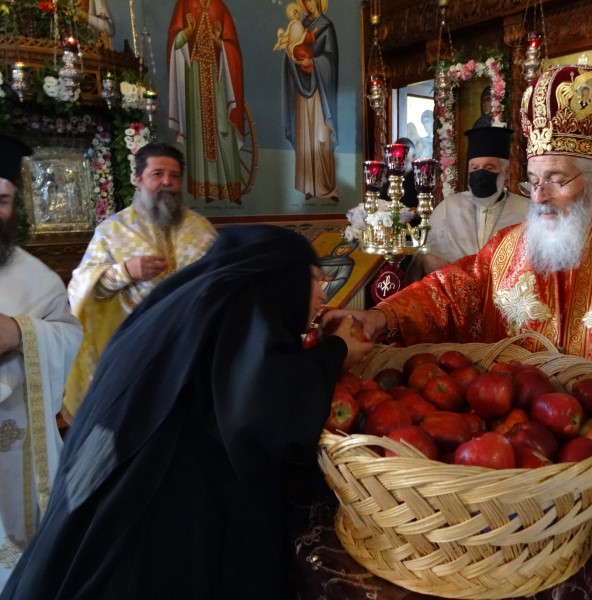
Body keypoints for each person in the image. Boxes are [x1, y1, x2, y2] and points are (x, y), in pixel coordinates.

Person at [323, 64, 592, 557]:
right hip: (511, 468)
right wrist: (384, 317)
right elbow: (453, 289)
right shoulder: (514, 245)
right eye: (533, 179)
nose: (539, 198)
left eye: (556, 180)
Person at [0, 224, 374, 600]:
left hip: (116, 479)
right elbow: (263, 414)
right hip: (163, 510)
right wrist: (337, 350)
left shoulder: (198, 296)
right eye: (313, 278)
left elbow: (243, 377)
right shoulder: (240, 307)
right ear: (280, 274)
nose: (323, 291)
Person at [63, 142, 217, 422]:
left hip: (193, 342)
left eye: (174, 176)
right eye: (157, 174)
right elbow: (82, 287)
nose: (167, 182)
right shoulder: (112, 231)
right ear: (138, 179)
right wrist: (126, 271)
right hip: (136, 347)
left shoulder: (201, 228)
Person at [0, 135, 83, 592]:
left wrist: (20, 333)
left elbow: (70, 333)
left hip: (18, 448)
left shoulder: (35, 276)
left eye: (3, 201)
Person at [419, 126, 528, 274]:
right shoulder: (447, 208)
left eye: (489, 168)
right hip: (456, 290)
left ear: (506, 173)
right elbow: (427, 256)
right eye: (475, 168)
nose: (481, 174)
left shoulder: (526, 210)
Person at [167, 0, 245, 203]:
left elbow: (233, 47)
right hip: (193, 76)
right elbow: (174, 41)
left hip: (218, 75)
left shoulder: (220, 7)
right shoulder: (184, 4)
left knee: (223, 127)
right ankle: (205, 189)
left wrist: (220, 42)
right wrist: (186, 34)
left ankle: (229, 189)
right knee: (198, 129)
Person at [282, 0, 339, 202]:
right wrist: (291, 56)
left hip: (319, 91)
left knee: (321, 136)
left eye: (311, 0)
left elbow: (331, 60)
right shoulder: (301, 25)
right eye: (304, 1)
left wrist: (313, 62)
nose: (308, 3)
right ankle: (308, 186)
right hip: (301, 88)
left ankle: (327, 187)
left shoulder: (326, 25)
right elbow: (291, 47)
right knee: (306, 136)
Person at [273, 2, 316, 73]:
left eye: (296, 12)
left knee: (308, 54)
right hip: (296, 48)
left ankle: (309, 68)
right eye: (294, 14)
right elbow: (302, 38)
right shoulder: (295, 24)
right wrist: (311, 33)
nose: (308, 5)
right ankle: (307, 68)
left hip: (298, 48)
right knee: (306, 54)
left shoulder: (299, 24)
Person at [380, 137, 419, 209]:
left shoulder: (419, 179)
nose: (400, 162)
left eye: (405, 158)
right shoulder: (388, 177)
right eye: (396, 158)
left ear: (413, 157)